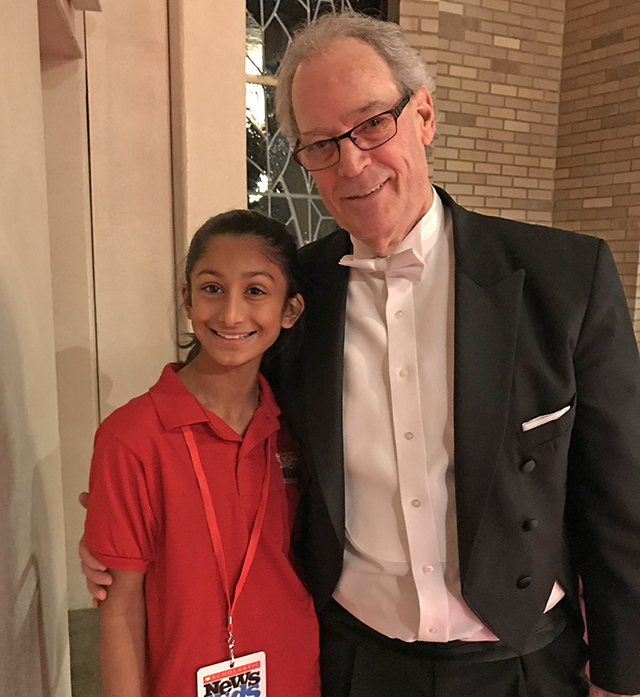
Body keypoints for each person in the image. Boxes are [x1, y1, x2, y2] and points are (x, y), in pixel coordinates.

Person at [81, 11, 640, 697]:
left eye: (372, 123)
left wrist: (624, 674)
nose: (352, 161)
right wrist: (120, 536)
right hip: (353, 663)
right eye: (319, 144)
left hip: (526, 666)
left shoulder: (565, 277)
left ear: (424, 113)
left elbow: (619, 497)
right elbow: (225, 430)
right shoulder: (296, 296)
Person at [83, 210, 319, 697]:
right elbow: (120, 607)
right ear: (187, 299)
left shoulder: (298, 428)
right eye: (212, 288)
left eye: (256, 291)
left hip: (296, 674)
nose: (231, 315)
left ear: (289, 310)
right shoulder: (131, 437)